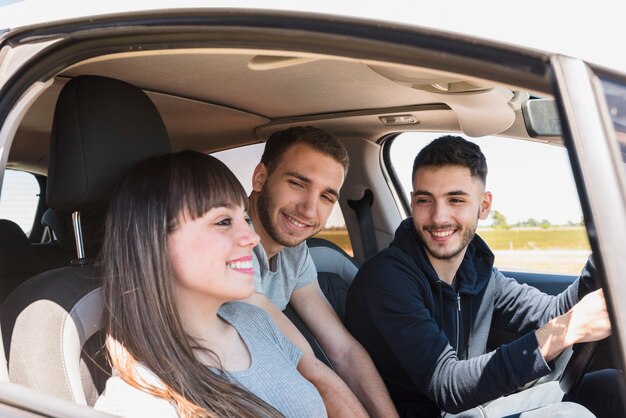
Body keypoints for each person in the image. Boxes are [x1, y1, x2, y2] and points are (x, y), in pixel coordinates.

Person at [344, 135, 625, 417]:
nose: (439, 217)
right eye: (425, 200)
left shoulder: (476, 271)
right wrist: (565, 330)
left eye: (456, 200)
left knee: (611, 387)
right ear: (413, 202)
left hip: (473, 407)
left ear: (484, 205)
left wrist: (609, 242)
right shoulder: (387, 278)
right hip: (434, 411)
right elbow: (447, 385)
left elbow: (553, 311)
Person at [95, 150, 326, 418]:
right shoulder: (140, 400)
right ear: (153, 242)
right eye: (224, 221)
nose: (252, 237)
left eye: (246, 219)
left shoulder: (254, 321)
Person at [244, 126, 399, 418]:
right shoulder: (231, 244)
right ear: (260, 177)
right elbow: (309, 366)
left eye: (327, 197)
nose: (309, 209)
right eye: (298, 184)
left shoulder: (293, 250)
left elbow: (343, 349)